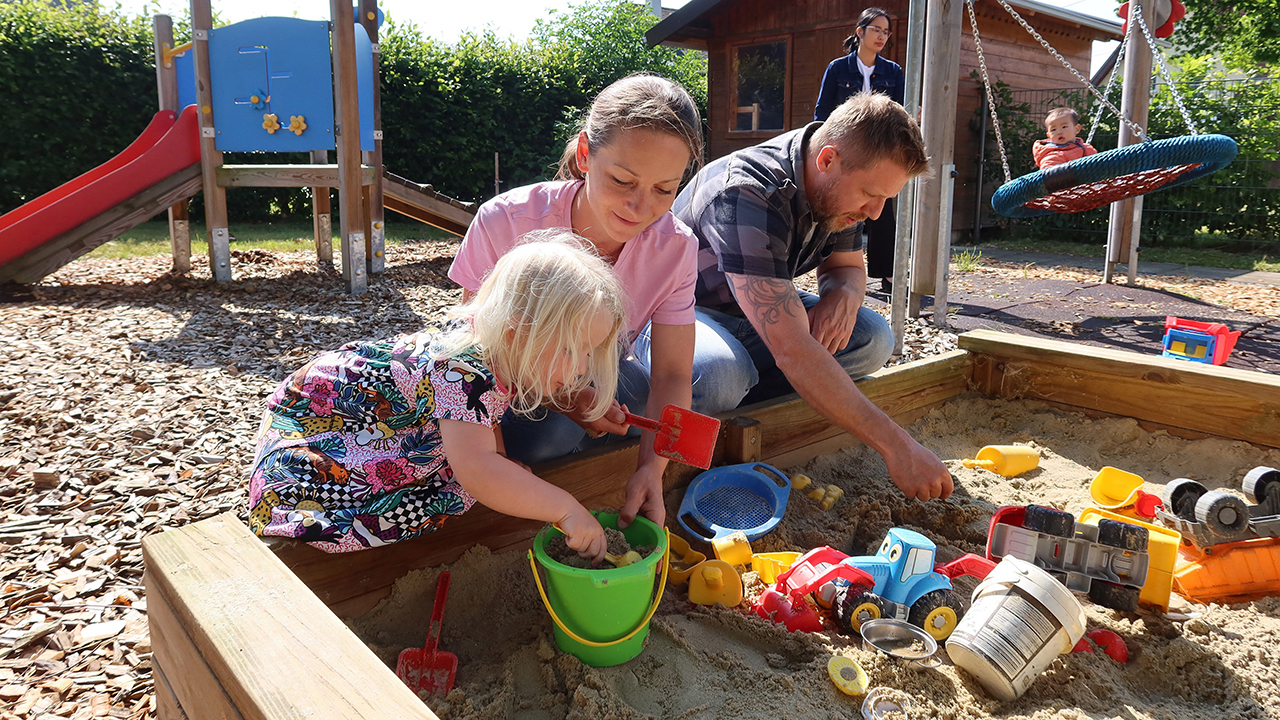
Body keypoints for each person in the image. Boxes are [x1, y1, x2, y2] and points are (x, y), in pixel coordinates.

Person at [247, 239, 625, 563]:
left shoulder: (497, 353)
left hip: (375, 418)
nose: (581, 369)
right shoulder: (465, 370)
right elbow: (478, 471)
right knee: (454, 482)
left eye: (588, 353)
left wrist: (503, 462)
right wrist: (566, 508)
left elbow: (484, 417)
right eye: (572, 350)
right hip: (326, 422)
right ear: (516, 334)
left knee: (472, 474)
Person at [449, 74, 704, 529]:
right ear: (585, 155)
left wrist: (652, 469)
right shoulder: (505, 221)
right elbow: (472, 363)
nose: (639, 207)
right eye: (622, 180)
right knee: (548, 432)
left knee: (702, 387)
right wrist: (564, 398)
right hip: (513, 382)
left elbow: (671, 373)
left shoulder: (676, 246)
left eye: (665, 190)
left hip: (605, 368)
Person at [674, 93, 954, 502]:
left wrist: (844, 294)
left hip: (755, 314)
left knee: (873, 338)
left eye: (885, 199)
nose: (875, 213)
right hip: (688, 312)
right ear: (827, 160)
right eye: (870, 195)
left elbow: (846, 269)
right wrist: (898, 447)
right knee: (719, 374)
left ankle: (763, 401)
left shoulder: (835, 192)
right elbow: (792, 349)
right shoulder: (747, 192)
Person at [814, 7, 905, 294]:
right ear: (860, 32)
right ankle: (831, 270)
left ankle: (887, 274)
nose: (882, 36)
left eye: (886, 31)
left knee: (881, 210)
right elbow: (822, 112)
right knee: (838, 206)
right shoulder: (838, 68)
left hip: (880, 152)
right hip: (845, 149)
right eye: (876, 29)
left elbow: (899, 114)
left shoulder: (893, 72)